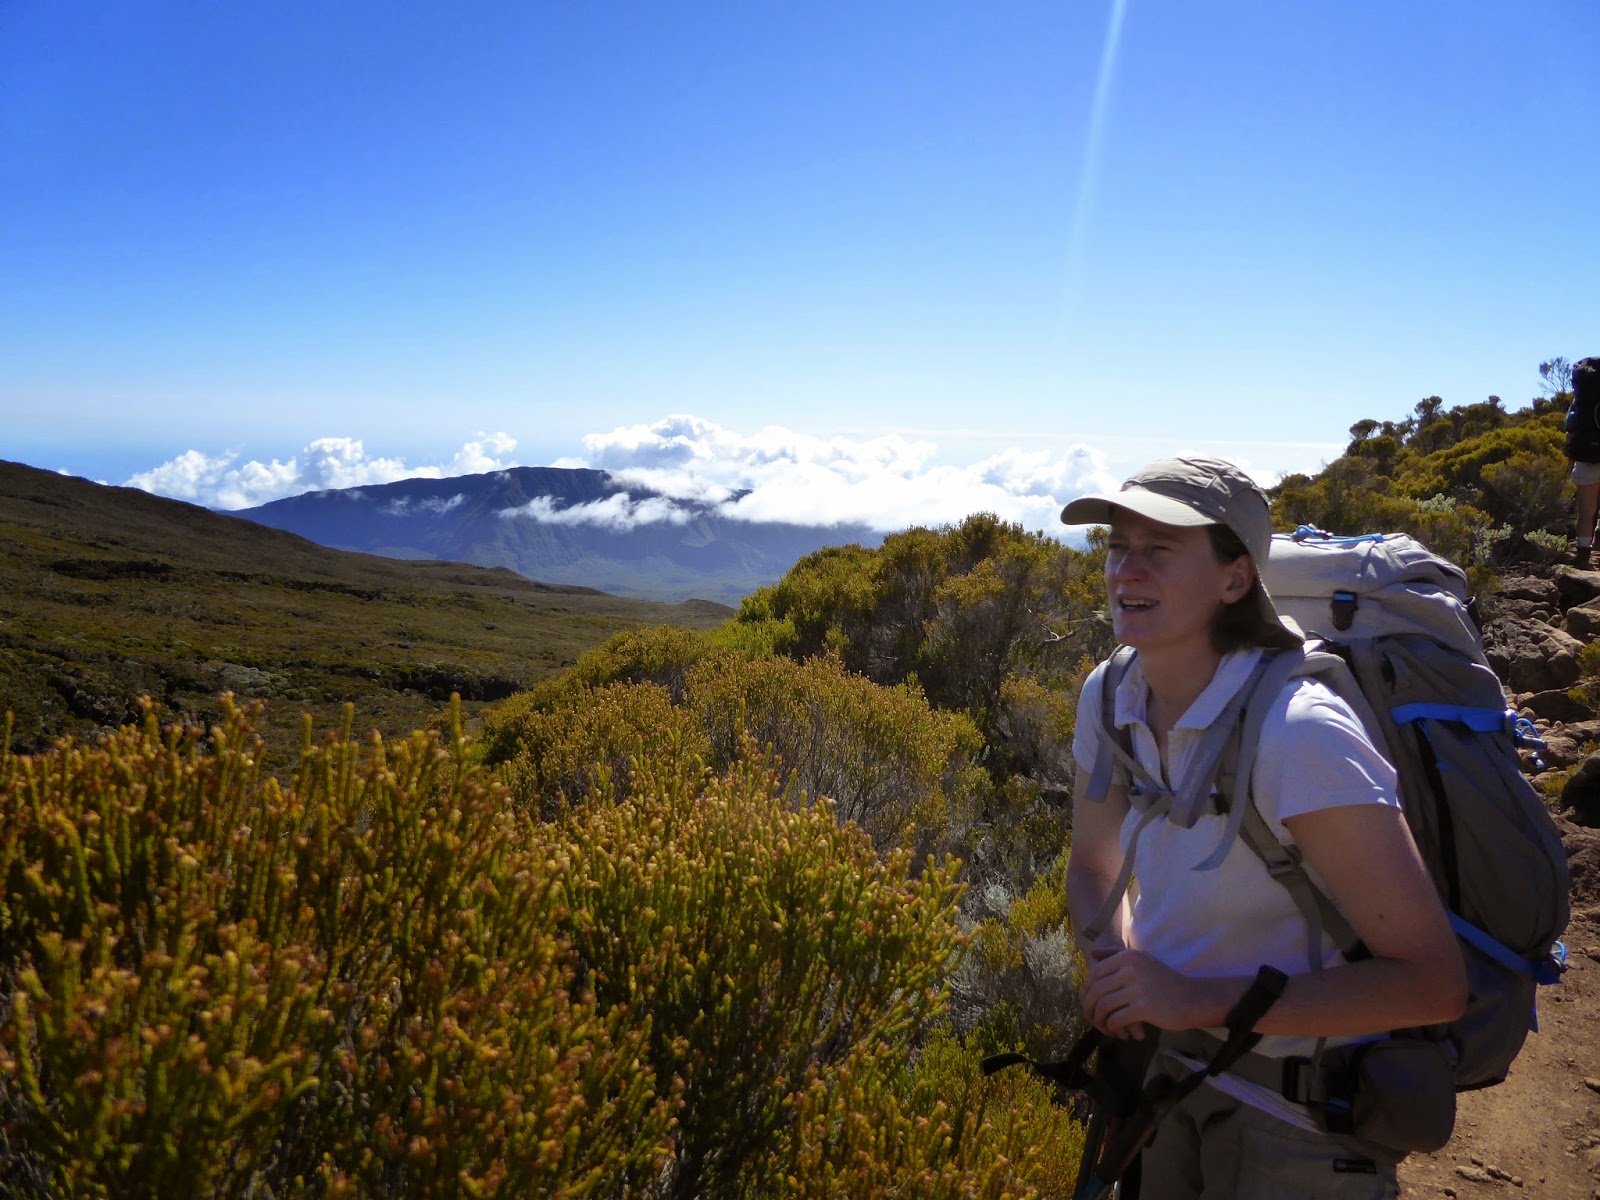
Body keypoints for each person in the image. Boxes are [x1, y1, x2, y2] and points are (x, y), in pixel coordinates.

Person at [1061, 456, 1466, 1199]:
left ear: (1234, 579)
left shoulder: (1301, 735)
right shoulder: (1112, 691)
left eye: (1159, 551)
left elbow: (1433, 984)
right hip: (1165, 1085)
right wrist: (1117, 970)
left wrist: (1191, 999)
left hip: (1298, 1117)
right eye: (1118, 548)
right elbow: (1093, 866)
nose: (1126, 572)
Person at [1565, 357, 1600, 565]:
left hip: (1586, 454)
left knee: (1586, 511)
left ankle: (1583, 555)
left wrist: (1571, 449)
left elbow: (1571, 424)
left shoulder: (1582, 397)